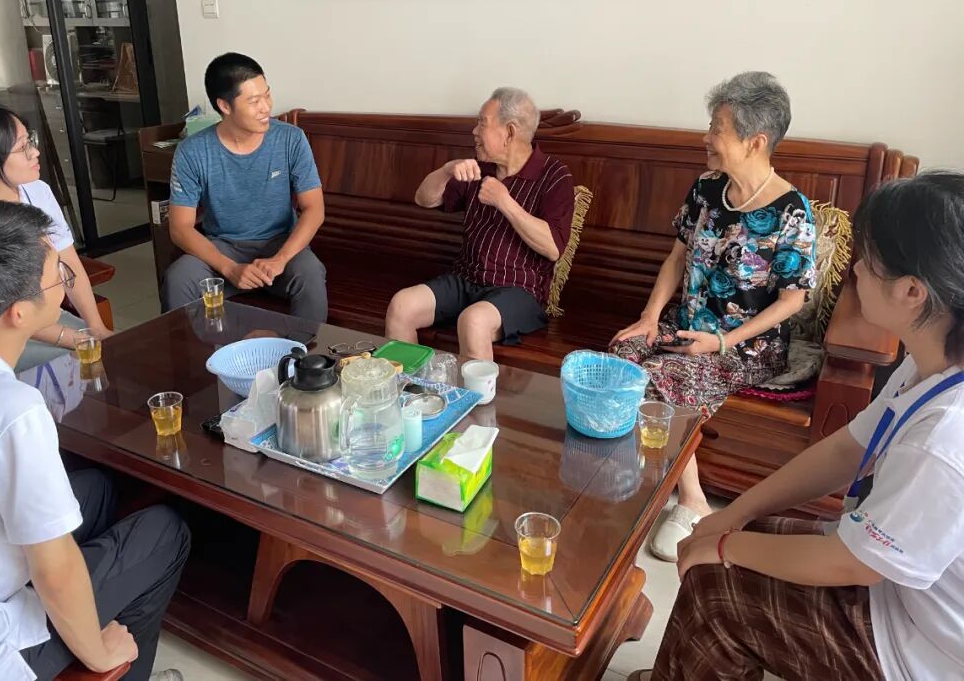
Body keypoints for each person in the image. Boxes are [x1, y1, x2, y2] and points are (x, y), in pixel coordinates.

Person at [629, 171, 964, 681]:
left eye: (870, 262)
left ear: (913, 291)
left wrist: (721, 546)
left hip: (913, 647)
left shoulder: (945, 436)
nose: (855, 270)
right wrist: (733, 515)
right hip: (895, 589)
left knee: (720, 586)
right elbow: (846, 450)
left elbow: (853, 563)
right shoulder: (930, 366)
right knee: (740, 537)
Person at [0, 202, 189, 681]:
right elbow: (54, 571)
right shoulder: (10, 409)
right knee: (165, 532)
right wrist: (98, 651)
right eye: (58, 275)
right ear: (19, 312)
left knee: (96, 489)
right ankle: (123, 670)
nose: (65, 279)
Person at [609, 72, 817, 562]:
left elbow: (793, 300)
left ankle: (692, 501)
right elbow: (676, 257)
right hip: (686, 324)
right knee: (620, 355)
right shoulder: (706, 188)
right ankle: (630, 474)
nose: (706, 137)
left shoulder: (792, 211)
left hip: (748, 345)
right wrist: (649, 316)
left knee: (659, 376)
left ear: (755, 141)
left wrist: (722, 343)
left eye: (716, 129)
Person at [385, 87, 574, 362]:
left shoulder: (554, 175)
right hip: (465, 280)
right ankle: (412, 387)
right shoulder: (479, 168)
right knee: (401, 306)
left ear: (510, 132)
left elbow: (553, 247)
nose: (474, 131)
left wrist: (504, 201)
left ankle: (474, 393)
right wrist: (447, 170)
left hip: (519, 293)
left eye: (482, 123)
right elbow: (423, 199)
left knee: (473, 321)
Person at [0, 100, 113, 372]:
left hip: (41, 316)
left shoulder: (38, 190)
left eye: (30, 140)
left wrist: (96, 328)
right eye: (22, 147)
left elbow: (69, 262)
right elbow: (2, 316)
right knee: (80, 364)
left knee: (103, 354)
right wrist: (76, 338)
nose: (35, 152)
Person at [162, 53, 327, 321]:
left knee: (310, 274)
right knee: (179, 278)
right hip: (223, 247)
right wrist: (229, 268)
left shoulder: (291, 139)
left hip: (279, 244)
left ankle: (306, 348)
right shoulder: (192, 152)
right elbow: (180, 228)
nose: (266, 107)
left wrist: (280, 259)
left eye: (267, 95)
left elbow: (314, 209)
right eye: (254, 101)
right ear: (224, 106)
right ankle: (187, 349)